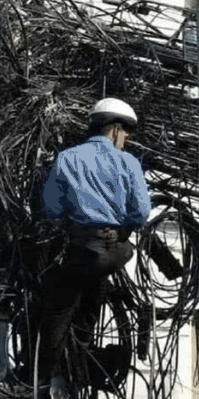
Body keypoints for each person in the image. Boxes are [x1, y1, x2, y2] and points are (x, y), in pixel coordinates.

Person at [39, 98, 151, 382]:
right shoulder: (128, 163)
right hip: (116, 251)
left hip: (82, 248)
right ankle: (84, 351)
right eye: (125, 133)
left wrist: (69, 216)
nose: (125, 140)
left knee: (58, 305)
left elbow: (51, 208)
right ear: (114, 129)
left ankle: (41, 377)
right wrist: (122, 226)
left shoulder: (67, 158)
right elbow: (141, 212)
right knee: (93, 288)